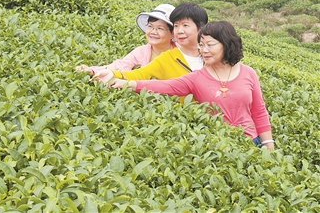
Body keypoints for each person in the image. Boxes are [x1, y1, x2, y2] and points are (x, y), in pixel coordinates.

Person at [109, 21, 275, 149]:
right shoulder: (196, 78)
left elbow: (259, 111)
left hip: (252, 143)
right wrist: (126, 83)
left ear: (227, 44)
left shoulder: (248, 73)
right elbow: (164, 86)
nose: (204, 50)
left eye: (210, 45)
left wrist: (268, 145)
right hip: (217, 147)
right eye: (201, 45)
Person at [94, 3, 208, 86]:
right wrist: (111, 73)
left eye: (185, 25)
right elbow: (139, 74)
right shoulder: (166, 57)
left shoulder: (214, 55)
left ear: (201, 28)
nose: (179, 31)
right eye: (176, 26)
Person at [76, 3, 177, 76]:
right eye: (150, 26)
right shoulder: (141, 52)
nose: (153, 32)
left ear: (173, 33)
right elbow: (120, 65)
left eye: (160, 28)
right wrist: (92, 71)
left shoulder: (182, 52)